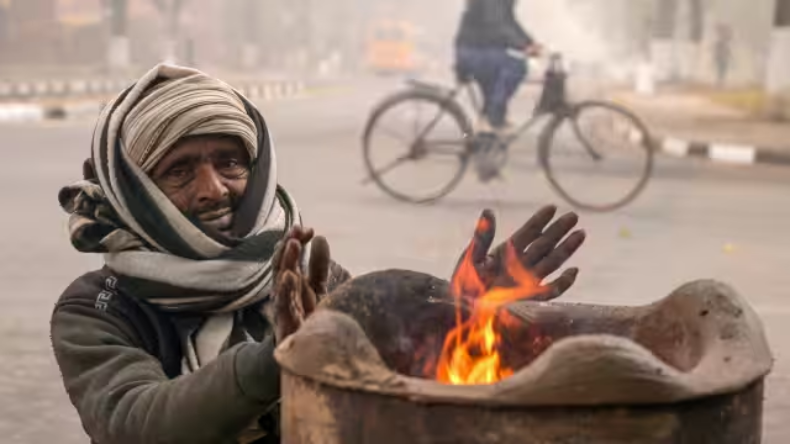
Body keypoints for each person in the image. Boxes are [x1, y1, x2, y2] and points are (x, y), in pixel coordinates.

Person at [51, 63, 585, 444]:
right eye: (179, 171)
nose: (213, 189)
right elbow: (137, 423)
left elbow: (396, 373)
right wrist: (274, 358)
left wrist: (464, 316)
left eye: (229, 163)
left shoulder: (300, 270)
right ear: (134, 191)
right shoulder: (97, 309)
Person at [455, 0, 541, 133]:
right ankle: (492, 118)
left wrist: (530, 42)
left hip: (478, 49)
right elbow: (497, 26)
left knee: (495, 86)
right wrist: (523, 46)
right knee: (517, 66)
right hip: (473, 51)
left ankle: (486, 129)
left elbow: (510, 21)